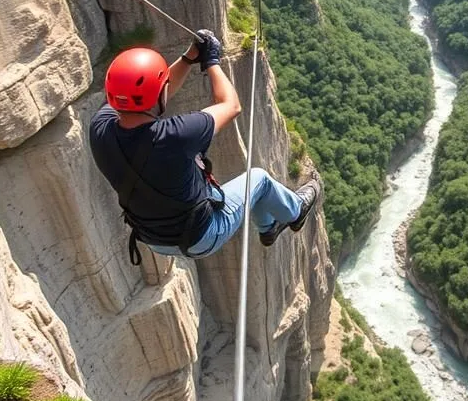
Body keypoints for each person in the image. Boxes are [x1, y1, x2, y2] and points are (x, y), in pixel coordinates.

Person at [88, 29, 321, 261]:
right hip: (201, 236)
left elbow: (150, 93)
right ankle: (294, 212)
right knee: (258, 179)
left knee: (246, 189)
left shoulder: (100, 130)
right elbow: (231, 105)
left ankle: (269, 226)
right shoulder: (175, 136)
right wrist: (211, 61)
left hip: (153, 239)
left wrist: (189, 57)